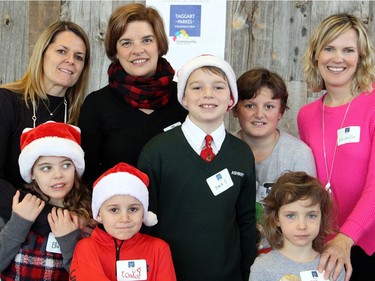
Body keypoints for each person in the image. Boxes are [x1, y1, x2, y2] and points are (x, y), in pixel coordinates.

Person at [137, 54, 257, 281]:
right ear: (183, 98)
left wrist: (247, 272)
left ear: (231, 99)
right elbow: (144, 223)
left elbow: (246, 222)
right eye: (197, 87)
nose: (208, 94)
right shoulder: (157, 151)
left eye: (219, 87)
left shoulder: (241, 153)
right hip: (169, 274)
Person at [297, 13, 375, 281]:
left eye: (348, 50)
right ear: (316, 54)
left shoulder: (372, 104)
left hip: (366, 243)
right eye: (329, 48)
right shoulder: (306, 116)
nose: (337, 58)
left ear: (361, 56)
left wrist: (347, 237)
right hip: (323, 246)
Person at [79, 3, 187, 188]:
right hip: (118, 215)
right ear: (115, 51)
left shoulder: (185, 98)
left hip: (179, 213)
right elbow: (87, 178)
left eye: (147, 40)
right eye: (126, 42)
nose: (138, 50)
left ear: (159, 45)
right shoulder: (96, 105)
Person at [0, 21, 91, 239]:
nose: (71, 60)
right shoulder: (6, 101)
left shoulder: (81, 114)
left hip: (65, 235)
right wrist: (50, 219)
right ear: (42, 54)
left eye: (79, 57)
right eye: (62, 51)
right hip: (11, 227)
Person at [232, 68, 316, 254]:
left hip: (281, 251)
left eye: (269, 106)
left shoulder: (298, 154)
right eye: (250, 105)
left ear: (280, 112)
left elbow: (306, 214)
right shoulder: (223, 150)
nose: (259, 114)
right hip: (232, 249)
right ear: (235, 110)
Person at [0, 121, 91, 280]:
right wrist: (18, 223)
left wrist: (70, 239)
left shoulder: (88, 215)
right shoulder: (18, 205)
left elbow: (86, 275)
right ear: (32, 173)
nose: (58, 175)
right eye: (46, 168)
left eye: (66, 165)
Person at [69, 162, 176, 281]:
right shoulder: (86, 248)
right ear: (99, 214)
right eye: (114, 210)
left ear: (144, 213)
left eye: (133, 209)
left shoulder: (159, 249)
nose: (125, 219)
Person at [249, 171, 345, 281]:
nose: (302, 226)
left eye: (311, 215)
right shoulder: (262, 268)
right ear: (276, 218)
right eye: (291, 216)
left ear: (321, 217)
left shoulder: (333, 267)